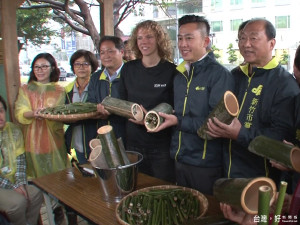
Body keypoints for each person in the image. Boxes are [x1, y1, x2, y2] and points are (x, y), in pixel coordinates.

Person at [206, 18, 300, 180]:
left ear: (271, 44)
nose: (246, 44)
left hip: (261, 179)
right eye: (242, 38)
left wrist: (239, 133)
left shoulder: (285, 84)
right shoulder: (234, 76)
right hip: (226, 173)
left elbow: (281, 137)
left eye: (253, 38)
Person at [152, 15, 234, 194]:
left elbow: (216, 123)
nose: (182, 44)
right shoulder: (180, 74)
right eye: (180, 38)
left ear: (205, 41)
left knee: (205, 216)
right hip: (179, 158)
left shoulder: (219, 75)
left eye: (189, 38)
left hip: (204, 164)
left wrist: (177, 121)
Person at [14, 53, 70, 224]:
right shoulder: (25, 89)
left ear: (52, 68)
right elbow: (19, 111)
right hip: (32, 142)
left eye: (44, 66)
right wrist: (33, 113)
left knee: (58, 180)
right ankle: (44, 215)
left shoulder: (60, 90)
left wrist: (50, 115)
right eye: (37, 67)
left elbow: (65, 114)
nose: (40, 70)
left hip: (54, 142)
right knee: (37, 183)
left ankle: (59, 210)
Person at [119, 20, 176, 183]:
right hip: (133, 144)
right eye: (140, 38)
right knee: (137, 189)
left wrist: (149, 119)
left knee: (162, 191)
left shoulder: (171, 71)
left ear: (159, 39)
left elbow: (175, 108)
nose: (144, 42)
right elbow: (122, 102)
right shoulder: (129, 69)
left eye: (149, 37)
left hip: (161, 147)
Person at [0, 95, 43, 225]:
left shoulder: (13, 130)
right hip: (2, 184)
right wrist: (13, 186)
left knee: (35, 194)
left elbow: (20, 160)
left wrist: (20, 183)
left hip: (14, 180)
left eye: (1, 111)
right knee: (18, 203)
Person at [86, 36, 126, 144]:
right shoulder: (95, 77)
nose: (106, 56)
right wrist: (97, 111)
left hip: (128, 136)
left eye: (110, 51)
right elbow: (91, 102)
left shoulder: (131, 73)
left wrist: (112, 110)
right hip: (103, 136)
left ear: (121, 52)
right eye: (102, 52)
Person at [65, 49, 99, 164]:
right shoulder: (68, 90)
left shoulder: (98, 86)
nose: (81, 67)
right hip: (78, 144)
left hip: (96, 142)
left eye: (85, 64)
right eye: (77, 64)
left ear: (92, 66)